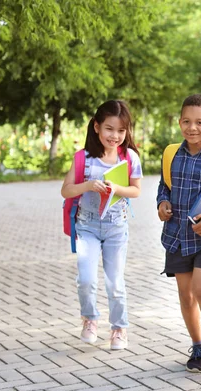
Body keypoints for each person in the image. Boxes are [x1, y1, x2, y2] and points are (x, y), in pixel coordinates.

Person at [61, 100, 142, 350]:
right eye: (109, 129)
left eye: (121, 130)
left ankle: (119, 328)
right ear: (96, 127)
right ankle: (90, 320)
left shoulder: (129, 157)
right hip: (87, 225)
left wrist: (117, 188)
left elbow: (136, 191)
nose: (115, 136)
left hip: (117, 226)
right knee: (86, 278)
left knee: (114, 281)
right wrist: (87, 185)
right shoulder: (82, 158)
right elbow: (66, 190)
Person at [157, 94, 201, 374]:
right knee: (186, 296)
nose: (192, 127)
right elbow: (165, 187)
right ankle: (197, 344)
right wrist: (162, 203)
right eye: (187, 121)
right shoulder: (171, 154)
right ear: (179, 123)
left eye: (200, 122)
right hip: (176, 235)